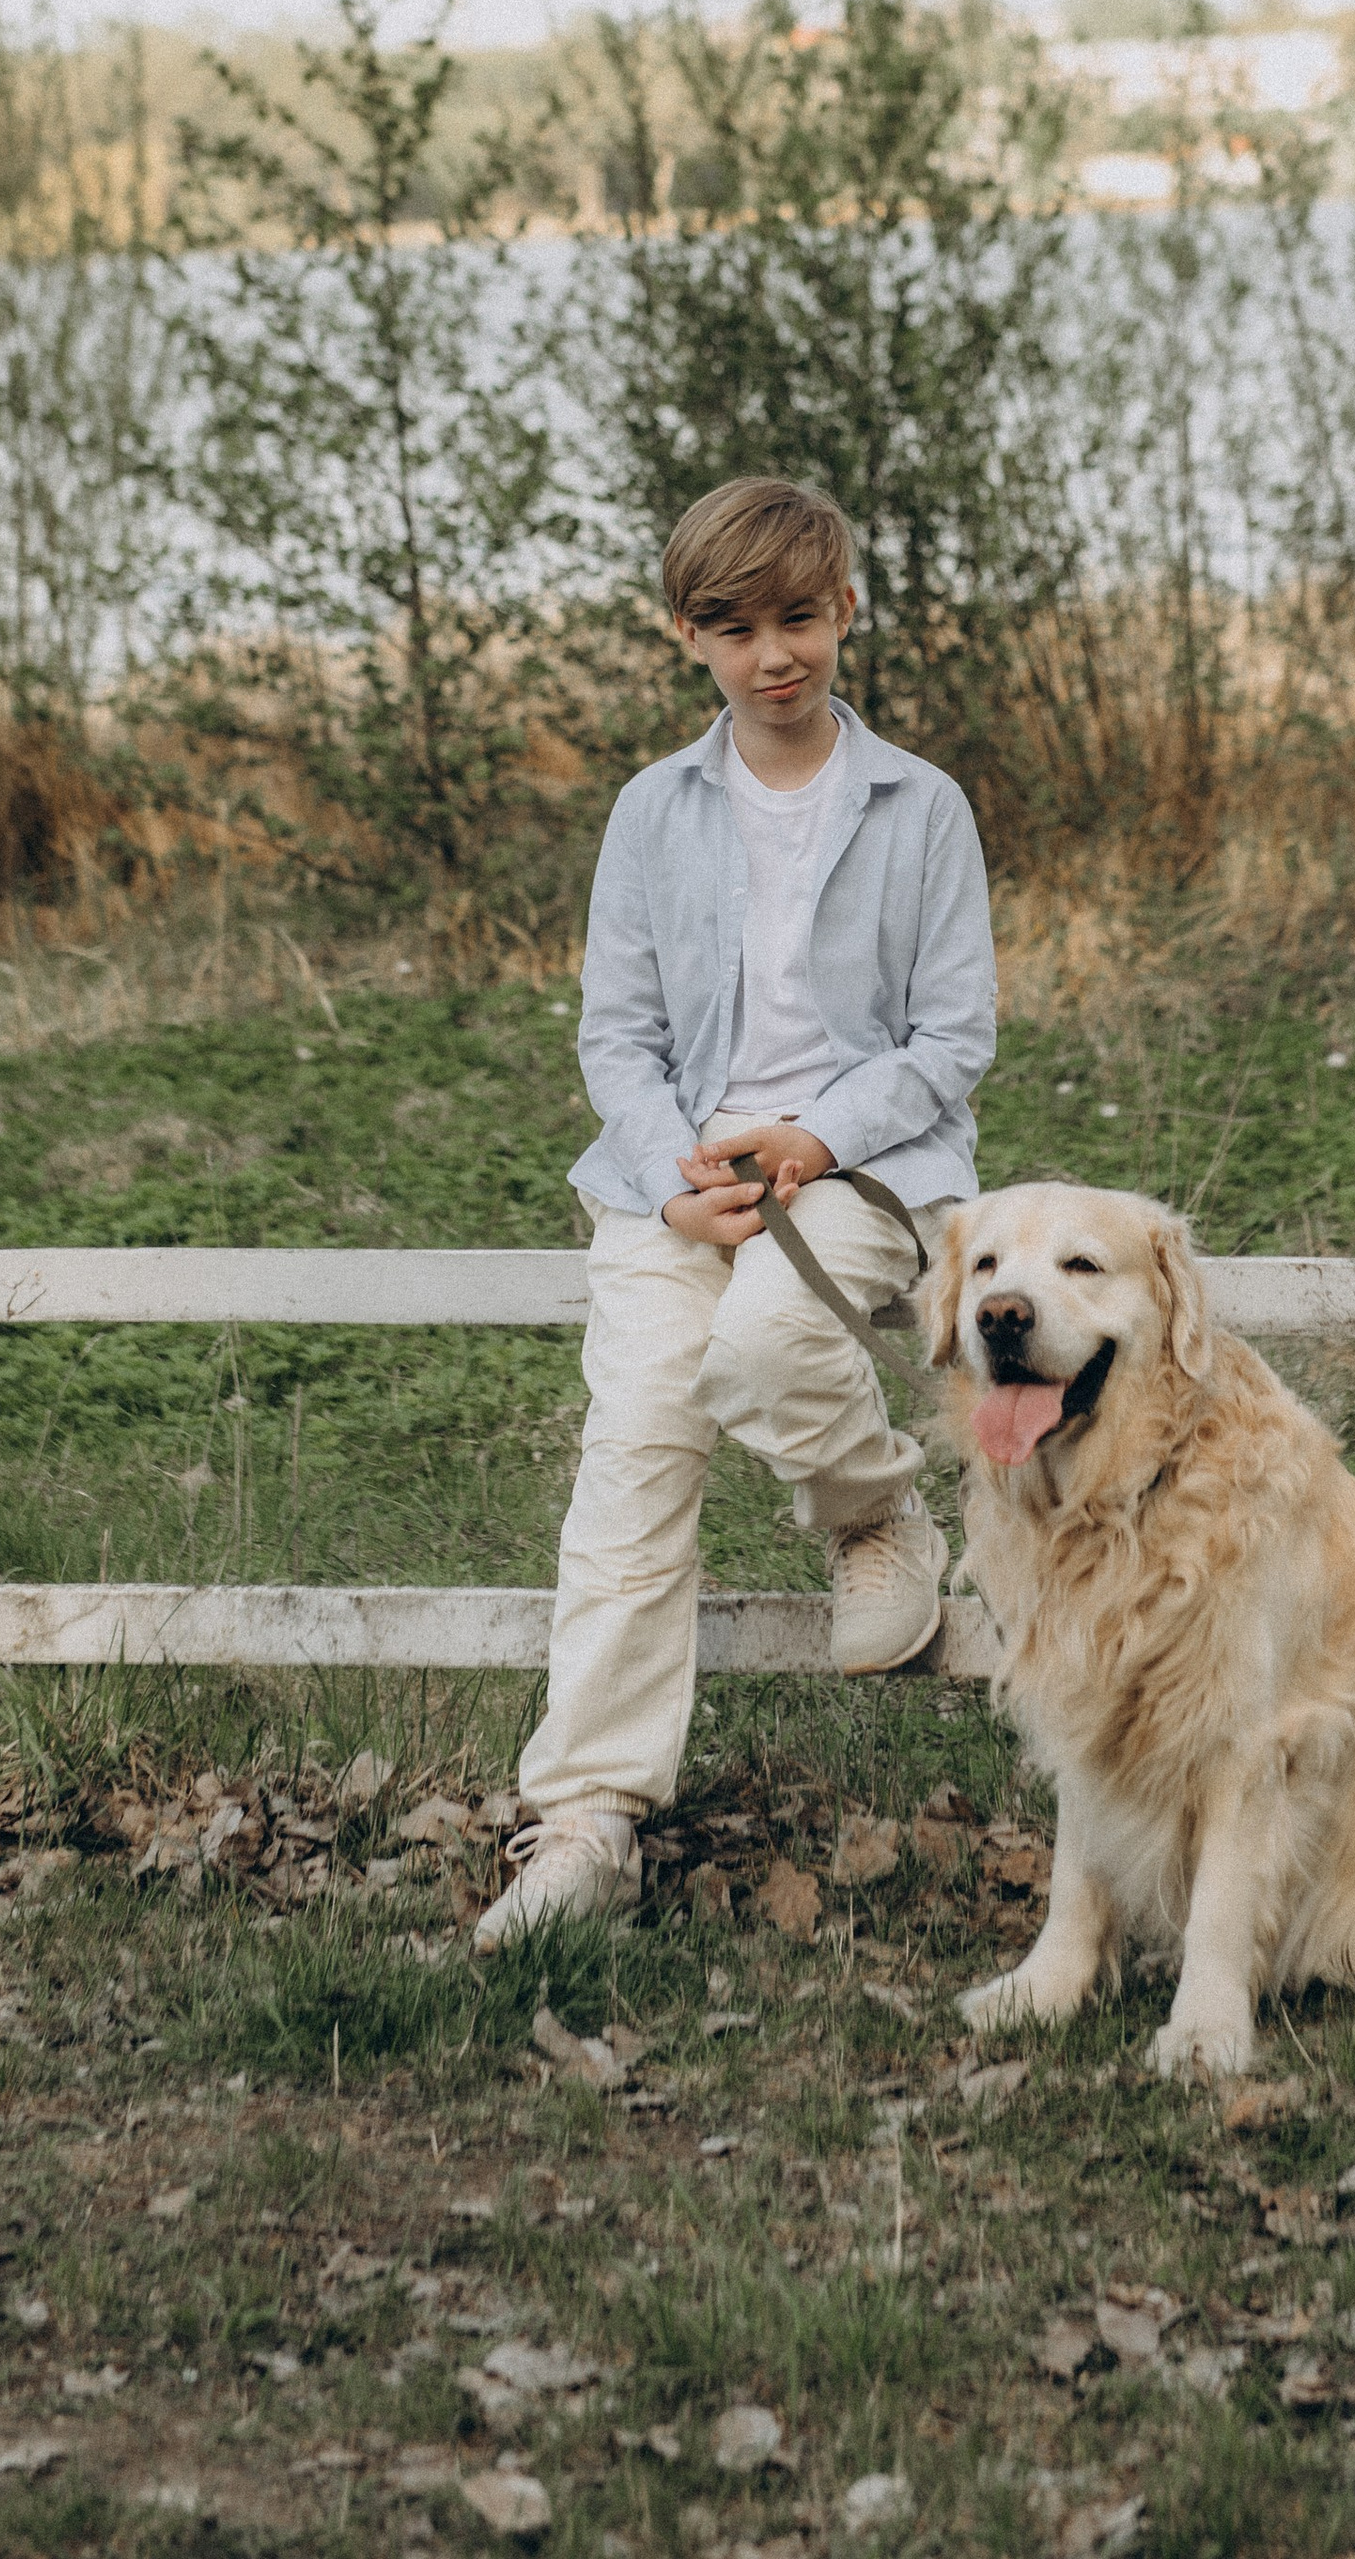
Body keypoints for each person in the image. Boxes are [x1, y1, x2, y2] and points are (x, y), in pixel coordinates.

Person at [478, 474, 997, 1943]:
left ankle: (876, 1514)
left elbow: (953, 1037)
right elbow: (617, 1039)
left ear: (848, 611)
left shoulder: (920, 805)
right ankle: (586, 1820)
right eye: (736, 629)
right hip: (677, 1182)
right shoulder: (653, 810)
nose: (774, 657)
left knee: (770, 1342)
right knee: (636, 1452)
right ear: (689, 637)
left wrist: (816, 1138)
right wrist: (673, 1177)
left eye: (799, 620)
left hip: (860, 1164)